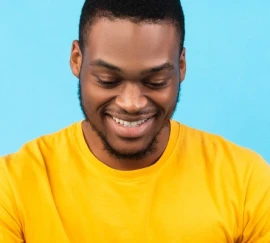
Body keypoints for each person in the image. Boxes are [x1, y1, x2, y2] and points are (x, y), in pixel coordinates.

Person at [0, 0, 269, 242]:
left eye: (155, 82)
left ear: (182, 66)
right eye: (108, 80)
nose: (131, 103)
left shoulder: (247, 183)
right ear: (77, 60)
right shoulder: (13, 186)